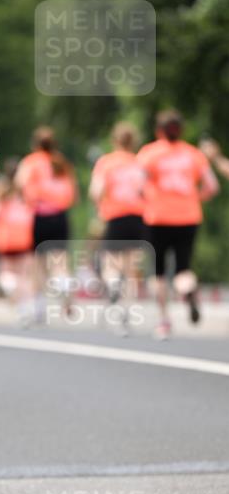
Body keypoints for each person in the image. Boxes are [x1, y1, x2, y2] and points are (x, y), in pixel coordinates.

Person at [137, 110, 219, 339]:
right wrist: (194, 198)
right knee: (184, 267)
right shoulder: (193, 154)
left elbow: (138, 186)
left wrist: (150, 199)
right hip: (188, 217)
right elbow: (212, 187)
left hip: (158, 218)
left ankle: (164, 322)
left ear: (159, 130)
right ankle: (188, 290)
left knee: (159, 271)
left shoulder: (149, 153)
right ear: (181, 130)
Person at [89, 122, 147, 335]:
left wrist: (100, 210)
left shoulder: (106, 162)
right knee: (132, 269)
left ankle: (113, 284)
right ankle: (127, 315)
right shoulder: (139, 162)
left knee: (110, 263)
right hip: (138, 217)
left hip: (115, 216)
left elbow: (96, 191)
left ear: (115, 140)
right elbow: (146, 191)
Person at [14, 127, 77, 323]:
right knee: (61, 261)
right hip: (60, 216)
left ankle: (39, 307)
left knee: (38, 264)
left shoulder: (31, 162)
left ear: (35, 144)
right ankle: (66, 298)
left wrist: (28, 199)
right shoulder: (61, 162)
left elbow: (19, 183)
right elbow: (72, 191)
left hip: (39, 216)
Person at [0, 159, 34, 326]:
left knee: (5, 275)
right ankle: (26, 308)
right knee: (25, 276)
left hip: (5, 238)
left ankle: (15, 295)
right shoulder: (26, 191)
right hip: (24, 237)